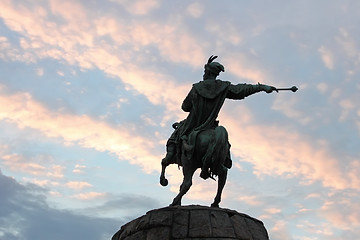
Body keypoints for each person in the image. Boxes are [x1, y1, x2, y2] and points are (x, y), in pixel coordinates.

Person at [161, 55, 277, 179]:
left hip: (192, 124)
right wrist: (262, 87)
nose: (204, 74)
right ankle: (223, 159)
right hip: (210, 125)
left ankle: (170, 157)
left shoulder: (196, 88)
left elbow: (185, 107)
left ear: (207, 72)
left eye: (205, 71)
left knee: (173, 138)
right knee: (221, 139)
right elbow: (241, 90)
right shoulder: (223, 87)